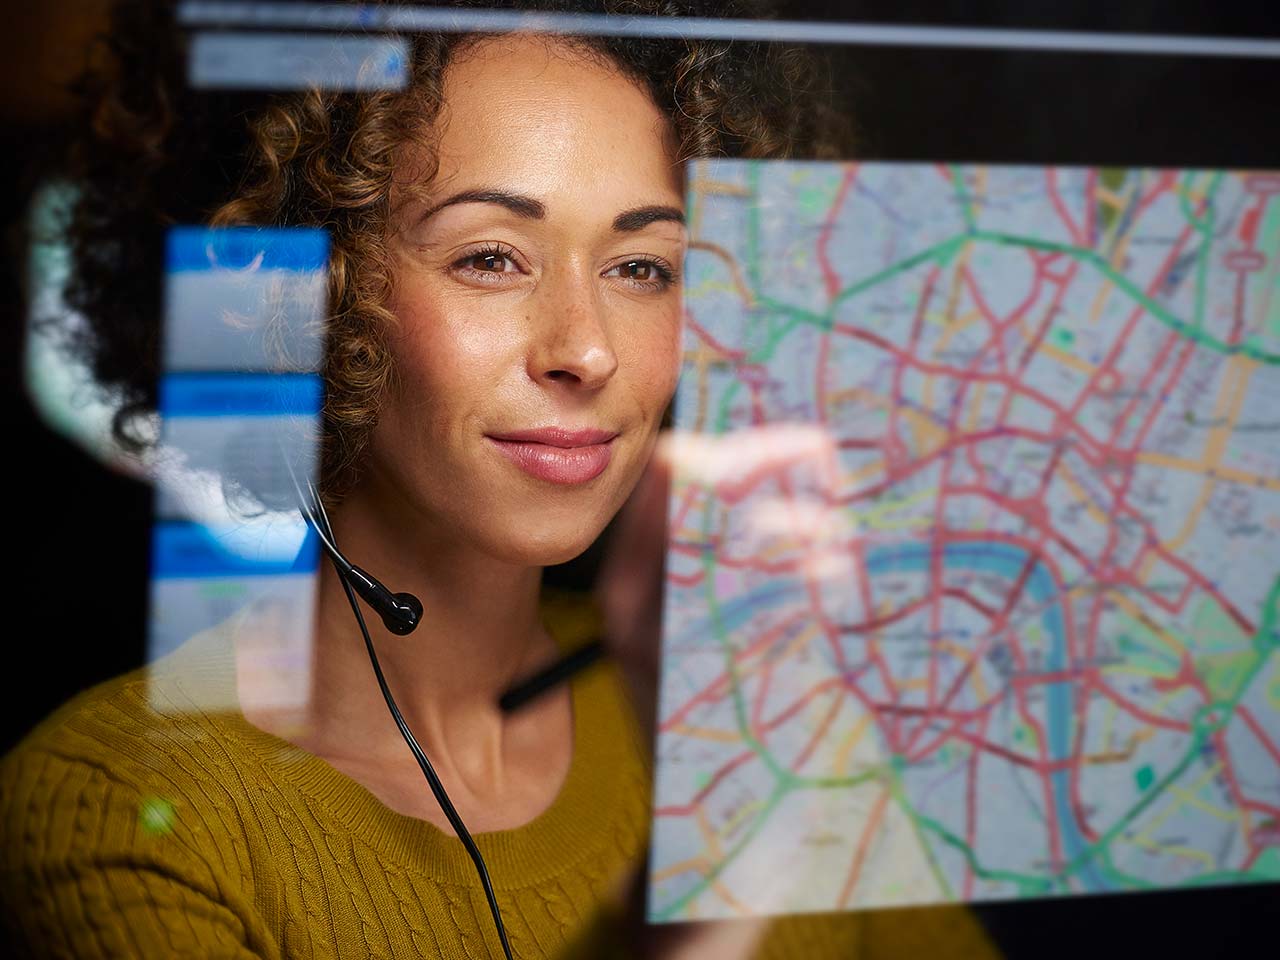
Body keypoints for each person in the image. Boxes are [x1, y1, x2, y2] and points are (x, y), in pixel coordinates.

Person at [1, 1, 1001, 956]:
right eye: (490, 257)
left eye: (642, 267)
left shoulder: (757, 715)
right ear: (302, 297)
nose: (586, 351)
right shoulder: (119, 807)